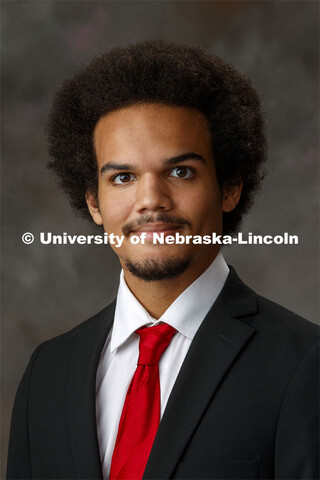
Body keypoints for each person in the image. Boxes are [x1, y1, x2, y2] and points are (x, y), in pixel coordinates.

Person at [7, 40, 319, 480]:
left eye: (180, 172)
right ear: (95, 203)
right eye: (124, 177)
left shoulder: (305, 365)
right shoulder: (49, 372)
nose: (150, 200)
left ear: (229, 187)